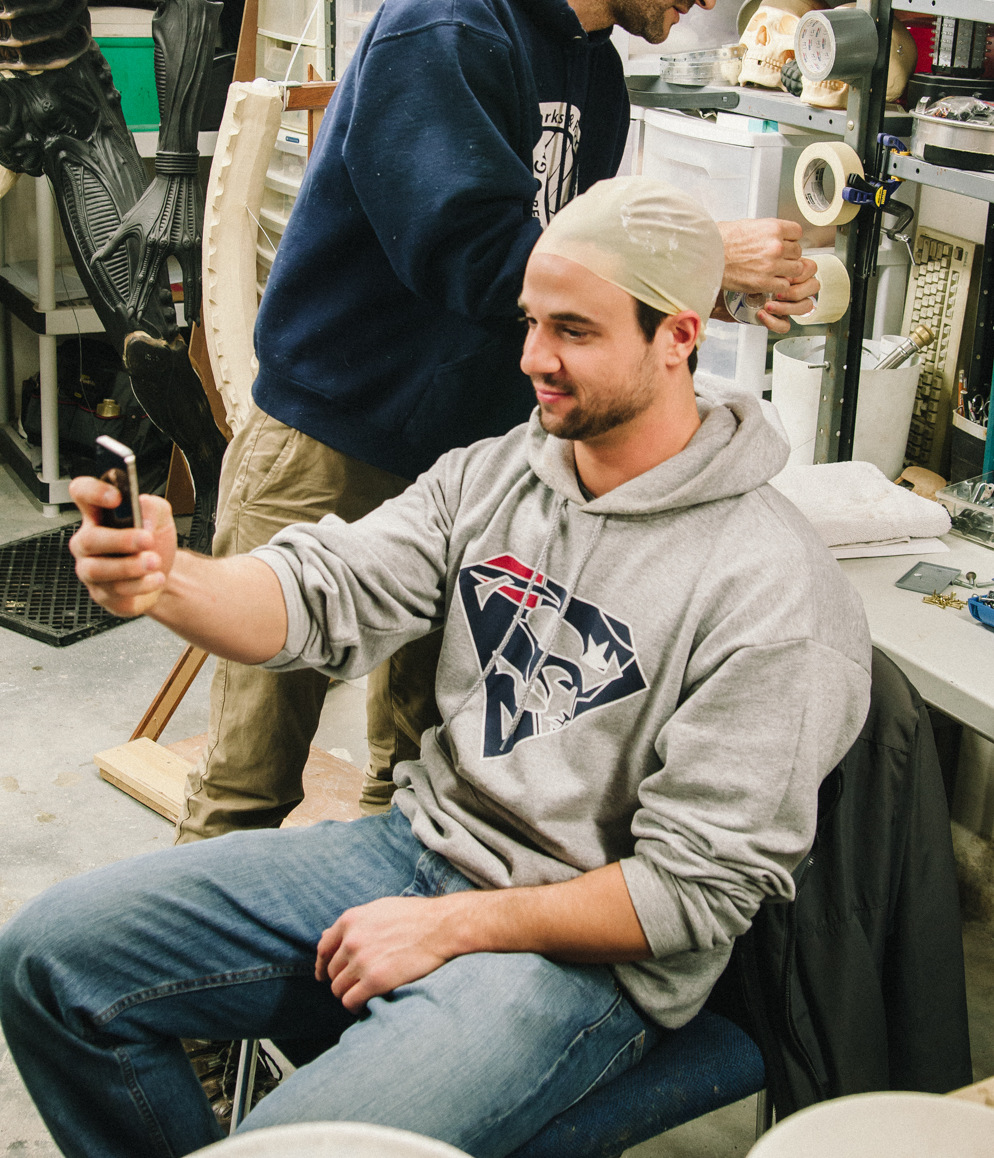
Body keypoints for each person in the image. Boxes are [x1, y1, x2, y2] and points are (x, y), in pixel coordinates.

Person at [0, 178, 871, 1158]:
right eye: (531, 323)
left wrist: (456, 926)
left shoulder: (772, 590)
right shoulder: (501, 471)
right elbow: (325, 592)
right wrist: (168, 582)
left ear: (677, 337)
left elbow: (691, 891)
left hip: (582, 960)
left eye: (574, 331)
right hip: (416, 846)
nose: (534, 359)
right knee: (50, 962)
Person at [177, 0, 822, 840]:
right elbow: (471, 255)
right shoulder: (450, 12)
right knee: (248, 785)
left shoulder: (596, 73)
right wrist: (698, 262)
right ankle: (185, 995)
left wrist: (681, 302)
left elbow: (575, 294)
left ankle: (378, 994)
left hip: (478, 467)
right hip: (334, 445)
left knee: (433, 779)